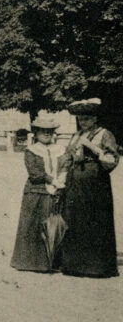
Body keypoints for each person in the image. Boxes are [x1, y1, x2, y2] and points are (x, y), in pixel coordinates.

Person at [61, 98, 119, 278]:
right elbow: (67, 158)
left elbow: (112, 159)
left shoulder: (104, 134)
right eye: (80, 119)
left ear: (94, 119)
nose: (83, 122)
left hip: (95, 183)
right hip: (75, 183)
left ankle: (96, 267)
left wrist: (94, 148)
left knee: (94, 219)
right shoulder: (76, 135)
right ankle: (74, 265)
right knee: (75, 219)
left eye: (86, 118)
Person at [10, 117, 68, 272]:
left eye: (50, 131)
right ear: (36, 133)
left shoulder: (61, 150)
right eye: (43, 131)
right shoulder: (31, 151)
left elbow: (66, 164)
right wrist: (53, 180)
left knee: (55, 226)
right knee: (35, 225)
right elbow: (35, 174)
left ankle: (54, 262)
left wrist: (62, 177)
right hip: (36, 192)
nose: (47, 134)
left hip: (57, 191)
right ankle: (33, 262)